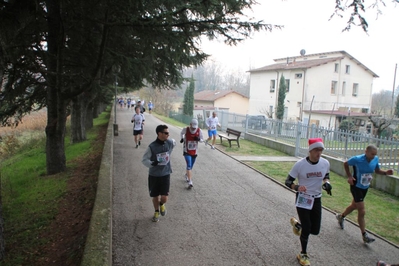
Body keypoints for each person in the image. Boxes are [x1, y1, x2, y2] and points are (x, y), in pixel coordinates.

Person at [285, 138, 331, 266]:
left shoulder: (325, 163)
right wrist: (297, 187)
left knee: (315, 230)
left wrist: (327, 183)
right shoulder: (300, 165)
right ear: (310, 150)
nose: (319, 153)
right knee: (307, 228)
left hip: (316, 198)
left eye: (321, 150)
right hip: (303, 198)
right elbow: (288, 181)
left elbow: (326, 176)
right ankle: (303, 254)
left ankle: (298, 226)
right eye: (316, 150)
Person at [335, 144, 393, 244]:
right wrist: (349, 176)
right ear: (366, 152)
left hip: (365, 187)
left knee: (354, 205)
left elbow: (377, 170)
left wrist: (386, 173)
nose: (373, 156)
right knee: (361, 210)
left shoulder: (375, 159)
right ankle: (364, 235)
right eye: (372, 154)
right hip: (356, 185)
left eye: (375, 154)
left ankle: (341, 216)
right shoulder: (357, 159)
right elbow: (345, 164)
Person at [142, 125, 176, 222]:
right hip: (154, 175)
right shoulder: (151, 147)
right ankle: (156, 211)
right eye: (166, 133)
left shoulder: (170, 143)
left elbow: (174, 142)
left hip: (165, 174)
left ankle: (162, 204)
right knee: (155, 195)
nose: (168, 135)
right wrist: (152, 163)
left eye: (168, 133)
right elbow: (144, 160)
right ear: (159, 134)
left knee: (164, 197)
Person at [180, 119, 204, 189]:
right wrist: (182, 138)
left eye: (195, 127)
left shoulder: (199, 130)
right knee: (189, 165)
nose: (194, 128)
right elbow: (181, 133)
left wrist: (198, 139)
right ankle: (190, 181)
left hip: (194, 151)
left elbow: (202, 140)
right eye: (193, 126)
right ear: (190, 124)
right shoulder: (186, 129)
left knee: (191, 166)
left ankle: (187, 175)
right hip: (186, 151)